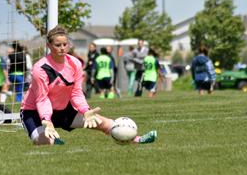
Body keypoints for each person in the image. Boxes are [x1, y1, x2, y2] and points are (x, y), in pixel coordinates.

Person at [20, 25, 157, 145]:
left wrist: (85, 110)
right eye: (57, 45)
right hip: (34, 112)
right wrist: (47, 120)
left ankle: (137, 139)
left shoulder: (75, 63)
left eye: (65, 44)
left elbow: (76, 93)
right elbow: (42, 99)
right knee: (45, 142)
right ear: (49, 46)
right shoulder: (40, 69)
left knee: (103, 123)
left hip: (63, 109)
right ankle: (53, 141)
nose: (62, 48)